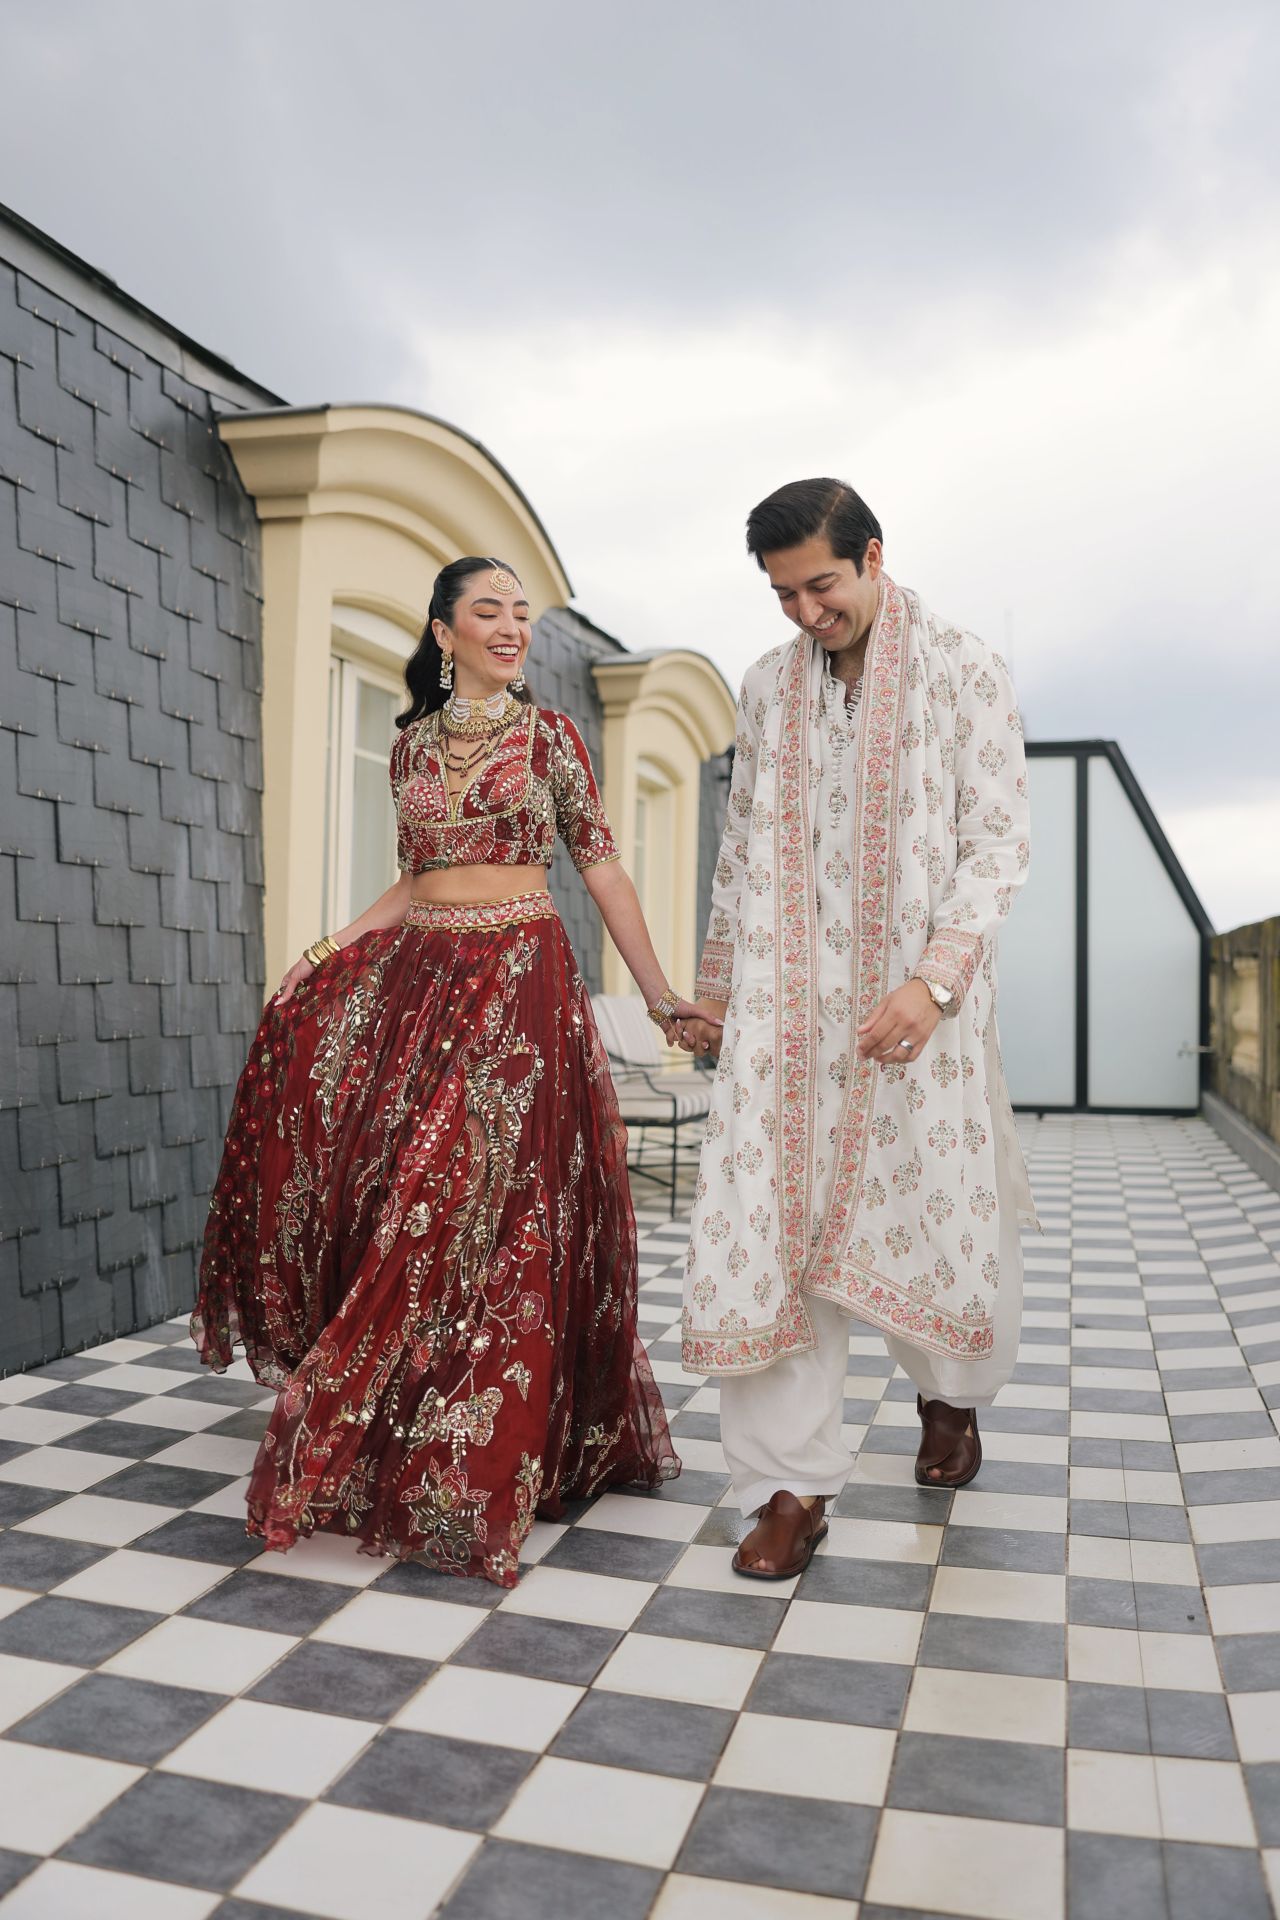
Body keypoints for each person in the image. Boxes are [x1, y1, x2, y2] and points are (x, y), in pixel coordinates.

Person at [191, 557, 702, 1588]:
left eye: (522, 614)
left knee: (480, 1204)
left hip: (519, 981)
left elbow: (599, 864)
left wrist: (657, 996)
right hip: (423, 983)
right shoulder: (410, 745)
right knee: (400, 1196)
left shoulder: (549, 738)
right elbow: (415, 878)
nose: (511, 628)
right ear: (443, 632)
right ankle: (410, 1418)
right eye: (489, 612)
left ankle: (482, 1450)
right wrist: (326, 951)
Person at [678, 479, 1037, 1579]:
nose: (802, 612)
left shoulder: (964, 667)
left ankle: (948, 1395)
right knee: (768, 1233)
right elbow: (739, 850)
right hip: (784, 1021)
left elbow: (996, 843)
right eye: (782, 593)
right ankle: (788, 1485)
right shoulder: (764, 688)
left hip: (910, 1014)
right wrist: (722, 994)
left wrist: (931, 985)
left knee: (932, 1212)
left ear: (872, 555)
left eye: (819, 585)